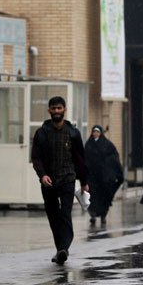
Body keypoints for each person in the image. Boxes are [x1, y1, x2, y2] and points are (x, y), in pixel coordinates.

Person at [31, 96, 88, 265]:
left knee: (65, 213)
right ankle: (60, 250)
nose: (57, 111)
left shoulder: (73, 133)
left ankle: (64, 248)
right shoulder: (41, 133)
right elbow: (36, 157)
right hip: (48, 181)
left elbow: (80, 159)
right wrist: (42, 175)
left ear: (64, 110)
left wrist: (84, 181)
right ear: (49, 111)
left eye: (59, 108)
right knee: (53, 215)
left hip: (67, 179)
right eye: (54, 108)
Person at [84, 125, 123, 225]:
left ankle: (103, 216)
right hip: (92, 176)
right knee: (91, 196)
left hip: (104, 177)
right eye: (94, 132)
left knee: (104, 197)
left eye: (97, 132)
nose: (95, 134)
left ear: (100, 133)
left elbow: (114, 157)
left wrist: (107, 165)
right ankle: (92, 215)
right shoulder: (89, 144)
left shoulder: (107, 144)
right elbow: (85, 158)